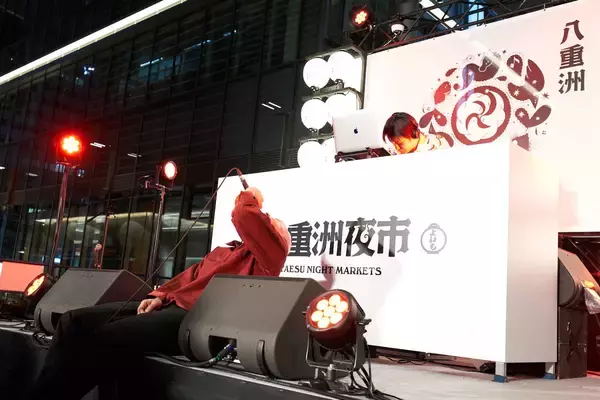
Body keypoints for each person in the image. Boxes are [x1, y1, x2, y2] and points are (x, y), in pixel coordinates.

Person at [27, 187, 292, 400]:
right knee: (72, 321)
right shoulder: (223, 252)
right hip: (170, 306)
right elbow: (186, 279)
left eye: (269, 224)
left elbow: (245, 215)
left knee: (107, 337)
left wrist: (251, 197)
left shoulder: (270, 257)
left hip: (197, 318)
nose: (265, 222)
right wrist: (159, 296)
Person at [382, 112, 450, 154]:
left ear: (413, 133)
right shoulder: (414, 147)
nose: (397, 149)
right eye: (394, 144)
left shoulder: (433, 148)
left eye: (400, 144)